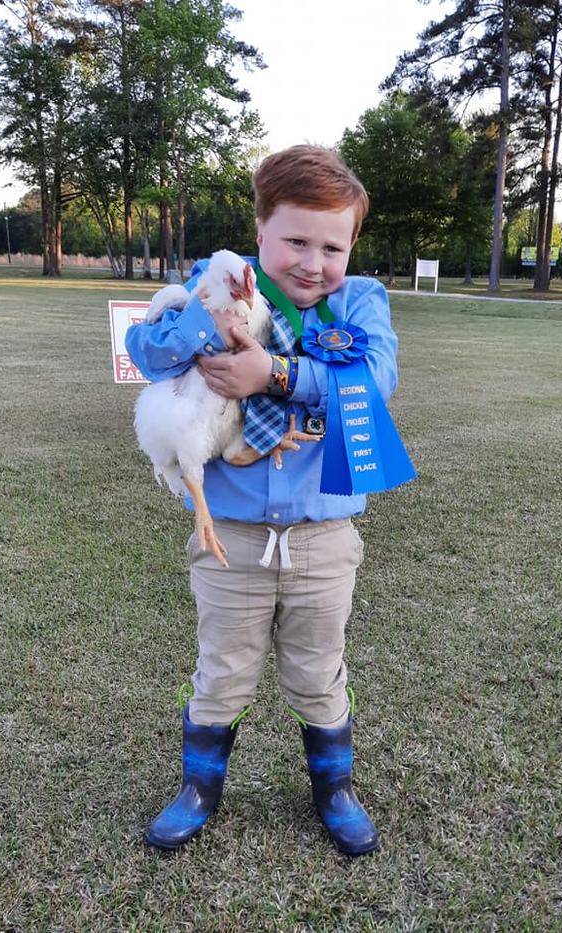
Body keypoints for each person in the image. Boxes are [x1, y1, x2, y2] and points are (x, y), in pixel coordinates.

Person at [126, 145, 405, 858]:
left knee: (319, 670)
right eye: (295, 241)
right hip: (232, 537)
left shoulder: (361, 301)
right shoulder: (216, 286)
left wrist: (272, 371)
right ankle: (199, 787)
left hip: (323, 539)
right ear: (258, 235)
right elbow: (146, 350)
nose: (313, 262)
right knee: (222, 667)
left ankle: (335, 787)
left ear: (352, 248)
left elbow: (377, 378)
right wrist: (214, 321)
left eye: (331, 245)